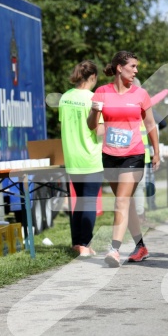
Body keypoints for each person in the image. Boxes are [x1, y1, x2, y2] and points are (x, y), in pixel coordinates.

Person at [87, 51, 160, 267]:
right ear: (120, 67)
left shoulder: (140, 94)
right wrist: (94, 111)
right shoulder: (101, 92)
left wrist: (156, 151)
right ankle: (141, 246)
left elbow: (150, 125)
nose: (136, 70)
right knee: (125, 203)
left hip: (134, 154)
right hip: (110, 155)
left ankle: (114, 250)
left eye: (137, 67)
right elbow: (92, 125)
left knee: (120, 201)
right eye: (133, 66)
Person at [59, 60, 103, 257]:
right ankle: (85, 244)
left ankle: (77, 243)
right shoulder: (94, 99)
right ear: (93, 77)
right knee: (89, 202)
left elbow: (64, 125)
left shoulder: (65, 97)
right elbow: (99, 130)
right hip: (90, 156)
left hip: (71, 157)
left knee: (78, 202)